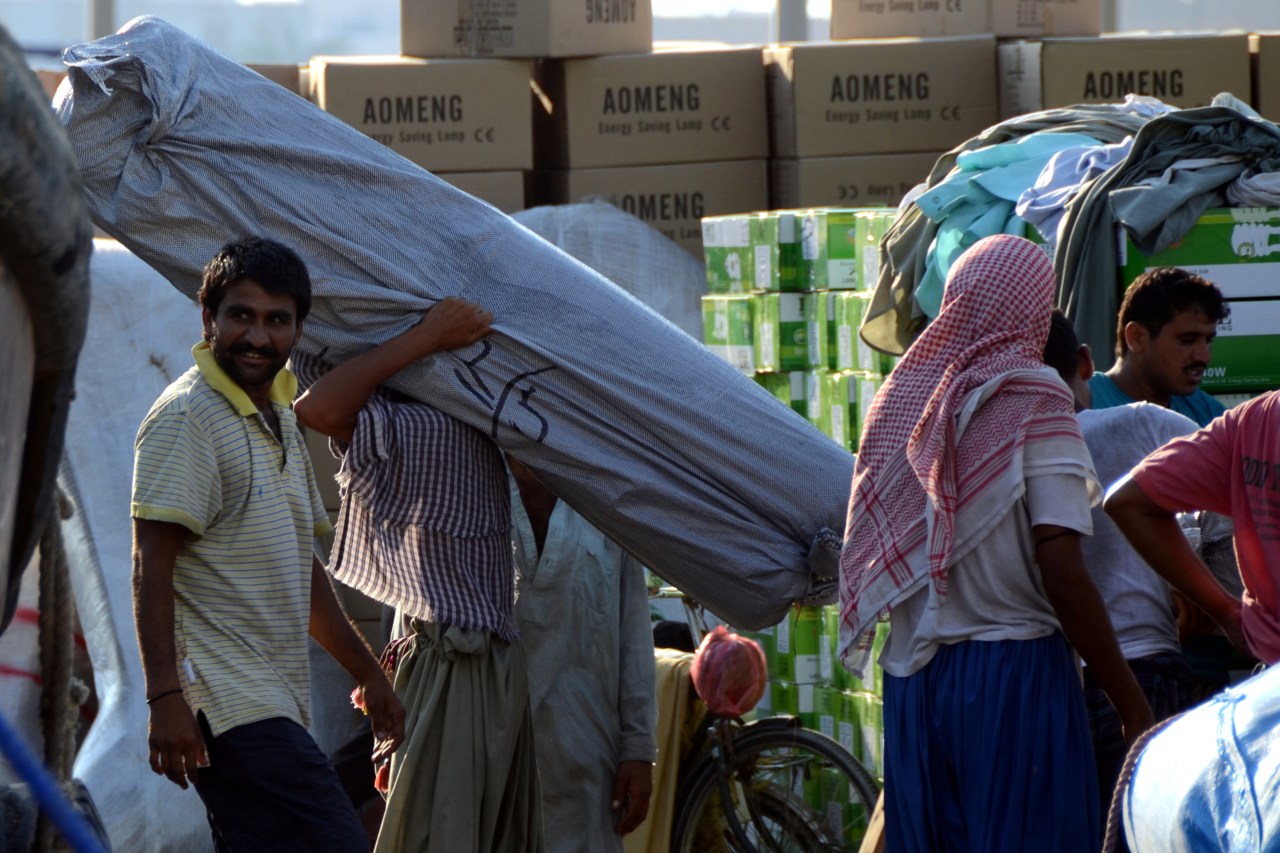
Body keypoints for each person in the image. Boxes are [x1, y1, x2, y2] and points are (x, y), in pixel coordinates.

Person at [839, 234, 1153, 853]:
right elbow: (1063, 572)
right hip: (1012, 675)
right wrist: (1132, 705)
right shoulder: (1035, 399)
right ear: (1033, 305)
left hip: (911, 683)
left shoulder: (899, 405)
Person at [131, 237, 405, 852]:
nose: (257, 337)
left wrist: (368, 672)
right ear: (209, 317)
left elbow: (299, 570)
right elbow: (151, 564)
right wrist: (165, 697)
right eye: (241, 316)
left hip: (272, 701)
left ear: (298, 330)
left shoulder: (279, 413)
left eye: (276, 320)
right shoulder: (187, 417)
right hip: (228, 705)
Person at [292, 298, 542, 853]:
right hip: (451, 662)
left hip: (484, 662)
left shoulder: (461, 422)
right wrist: (428, 336)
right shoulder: (414, 425)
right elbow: (317, 408)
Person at [1043, 310, 1198, 823]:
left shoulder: (985, 453)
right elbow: (1225, 513)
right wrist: (1201, 596)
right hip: (1144, 671)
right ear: (1086, 362)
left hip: (1039, 682)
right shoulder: (1144, 424)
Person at [507, 455, 657, 852]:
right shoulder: (465, 476)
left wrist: (640, 748)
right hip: (488, 761)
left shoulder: (603, 488)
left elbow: (633, 628)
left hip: (587, 762)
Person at [1104, 392, 1280, 663]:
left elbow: (1127, 501)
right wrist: (1223, 610)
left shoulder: (1254, 420)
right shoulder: (1252, 421)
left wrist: (1225, 612)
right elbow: (1128, 502)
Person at [1089, 267, 1230, 427]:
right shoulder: (1080, 403)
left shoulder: (1209, 414)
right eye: (1188, 340)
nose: (1204, 356)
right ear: (1136, 337)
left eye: (1209, 340)